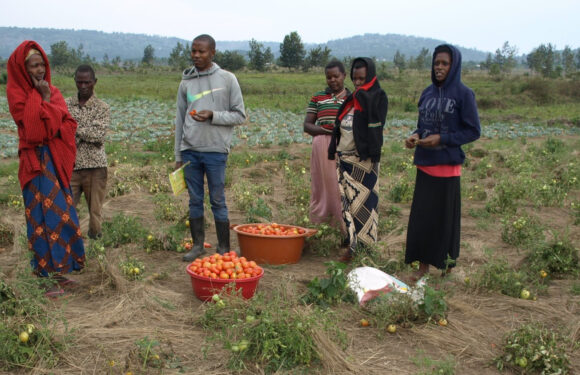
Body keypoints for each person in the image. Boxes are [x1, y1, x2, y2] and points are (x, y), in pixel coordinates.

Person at [6, 41, 85, 296]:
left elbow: (68, 124)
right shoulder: (17, 95)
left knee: (61, 215)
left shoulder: (54, 92)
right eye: (34, 65)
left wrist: (47, 103)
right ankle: (43, 278)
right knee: (40, 219)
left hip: (55, 164)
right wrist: (45, 105)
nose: (40, 70)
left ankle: (59, 272)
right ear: (22, 69)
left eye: (43, 64)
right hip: (34, 166)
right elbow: (36, 132)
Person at [404, 44, 481, 280]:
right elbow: (423, 124)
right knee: (423, 218)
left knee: (445, 220)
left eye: (444, 63)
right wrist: (416, 136)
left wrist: (444, 139)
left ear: (454, 65)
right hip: (425, 164)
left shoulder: (463, 94)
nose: (439, 67)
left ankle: (447, 266)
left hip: (447, 167)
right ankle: (423, 267)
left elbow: (473, 131)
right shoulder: (426, 93)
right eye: (436, 63)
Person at [174, 34, 246, 261]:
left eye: (201, 51)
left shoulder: (227, 79)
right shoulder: (186, 81)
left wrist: (213, 115)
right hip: (190, 151)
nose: (196, 55)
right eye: (193, 51)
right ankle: (197, 246)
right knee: (195, 199)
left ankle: (223, 247)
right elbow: (179, 118)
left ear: (212, 53)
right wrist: (178, 154)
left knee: (217, 199)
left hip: (215, 151)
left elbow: (239, 115)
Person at [328, 57, 388, 262]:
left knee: (366, 208)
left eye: (362, 78)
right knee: (349, 207)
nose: (358, 83)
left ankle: (367, 251)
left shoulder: (377, 97)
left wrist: (363, 97)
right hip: (345, 160)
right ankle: (353, 248)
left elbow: (375, 130)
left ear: (370, 76)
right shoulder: (351, 99)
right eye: (355, 79)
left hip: (364, 162)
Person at [303, 60, 349, 233]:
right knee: (321, 185)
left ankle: (343, 228)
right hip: (322, 145)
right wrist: (327, 131)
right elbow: (307, 125)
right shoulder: (318, 97)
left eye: (336, 76)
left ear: (344, 76)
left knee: (340, 186)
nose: (332, 80)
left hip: (344, 145)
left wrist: (337, 133)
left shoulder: (351, 98)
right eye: (329, 77)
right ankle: (320, 225)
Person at [66, 65, 110, 240]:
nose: (83, 86)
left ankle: (96, 248)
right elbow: (60, 130)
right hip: (71, 166)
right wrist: (84, 131)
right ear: (75, 82)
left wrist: (73, 128)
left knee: (95, 214)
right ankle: (69, 245)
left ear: (94, 82)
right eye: (79, 82)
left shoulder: (102, 107)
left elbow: (98, 135)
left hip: (95, 167)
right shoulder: (65, 104)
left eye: (87, 82)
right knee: (65, 209)